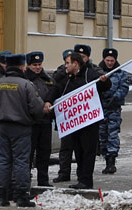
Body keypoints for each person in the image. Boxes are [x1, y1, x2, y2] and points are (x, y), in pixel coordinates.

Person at [44, 53, 111, 189]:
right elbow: (56, 89)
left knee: (88, 151)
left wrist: (105, 81)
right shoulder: (65, 77)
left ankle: (86, 180)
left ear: (76, 64)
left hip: (89, 122)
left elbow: (104, 87)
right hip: (74, 123)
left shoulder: (89, 74)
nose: (66, 66)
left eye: (68, 63)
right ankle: (81, 179)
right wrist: (48, 101)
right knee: (78, 151)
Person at [0, 54, 44, 207]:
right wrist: (33, 119)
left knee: (3, 160)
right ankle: (21, 196)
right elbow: (37, 108)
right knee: (21, 161)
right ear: (21, 67)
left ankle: (2, 196)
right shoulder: (26, 85)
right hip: (21, 128)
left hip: (3, 127)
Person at [25, 51, 55, 187]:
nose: (37, 67)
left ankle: (43, 180)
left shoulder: (47, 78)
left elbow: (54, 92)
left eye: (39, 64)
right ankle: (26, 180)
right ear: (28, 65)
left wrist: (49, 101)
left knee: (44, 153)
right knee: (28, 154)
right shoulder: (25, 79)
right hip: (31, 122)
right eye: (34, 65)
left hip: (45, 122)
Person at [98, 48, 129, 174]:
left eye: (112, 60)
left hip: (114, 108)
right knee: (102, 135)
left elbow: (124, 87)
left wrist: (116, 96)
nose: (110, 63)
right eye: (107, 60)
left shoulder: (120, 73)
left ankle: (111, 162)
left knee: (112, 134)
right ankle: (105, 158)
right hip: (100, 108)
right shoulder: (98, 71)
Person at [52, 49, 76, 183]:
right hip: (65, 118)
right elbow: (55, 89)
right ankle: (64, 172)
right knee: (65, 147)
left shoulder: (82, 73)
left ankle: (80, 173)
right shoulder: (60, 74)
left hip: (78, 116)